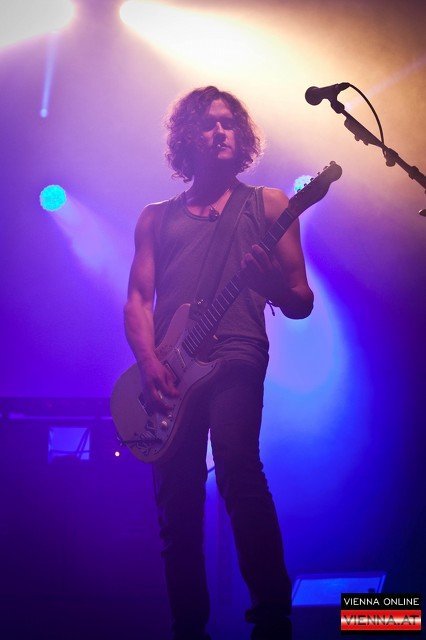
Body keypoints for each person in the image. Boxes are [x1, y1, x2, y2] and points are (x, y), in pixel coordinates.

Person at [124, 86, 313, 640]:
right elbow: (137, 300)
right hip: (170, 370)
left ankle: (272, 618)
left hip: (237, 351)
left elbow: (301, 299)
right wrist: (149, 362)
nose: (221, 131)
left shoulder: (270, 205)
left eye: (229, 122)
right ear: (187, 137)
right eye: (208, 124)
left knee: (238, 468)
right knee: (176, 502)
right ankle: (189, 628)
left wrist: (268, 286)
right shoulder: (155, 218)